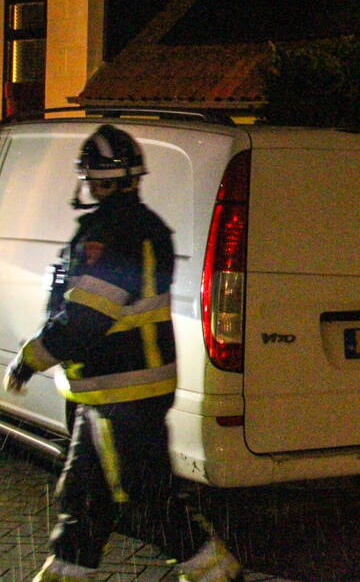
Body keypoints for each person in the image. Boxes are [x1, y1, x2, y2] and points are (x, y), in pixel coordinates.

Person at [3, 125, 243, 582]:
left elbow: (87, 317)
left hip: (120, 394)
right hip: (115, 393)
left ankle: (219, 574)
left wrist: (30, 358)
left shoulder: (112, 234)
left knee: (143, 501)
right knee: (84, 499)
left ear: (94, 179)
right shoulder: (143, 227)